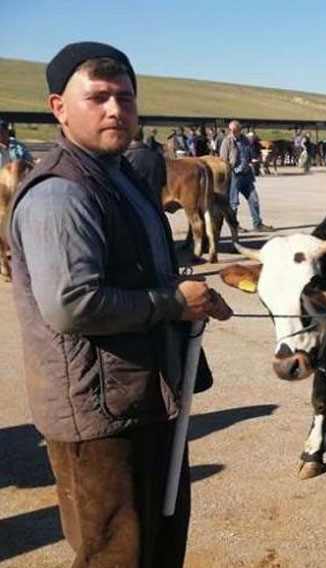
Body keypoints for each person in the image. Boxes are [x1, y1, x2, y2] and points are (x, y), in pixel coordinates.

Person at [7, 41, 233, 568]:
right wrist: (173, 302)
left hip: (138, 396)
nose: (115, 110)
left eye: (125, 98)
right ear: (58, 108)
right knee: (117, 554)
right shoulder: (60, 195)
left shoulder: (119, 176)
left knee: (157, 543)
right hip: (97, 413)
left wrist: (191, 299)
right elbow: (72, 305)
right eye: (99, 97)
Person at [220, 119, 272, 230]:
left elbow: (250, 153)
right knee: (233, 203)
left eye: (235, 129)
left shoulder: (246, 140)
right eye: (231, 130)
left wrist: (255, 158)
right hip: (234, 175)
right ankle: (235, 226)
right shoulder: (227, 142)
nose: (233, 132)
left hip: (247, 174)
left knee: (254, 199)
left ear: (240, 129)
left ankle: (257, 224)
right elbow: (223, 160)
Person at [125, 128, 167, 204]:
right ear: (142, 137)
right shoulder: (157, 156)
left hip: (132, 203)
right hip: (154, 204)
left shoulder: (123, 157)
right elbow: (163, 181)